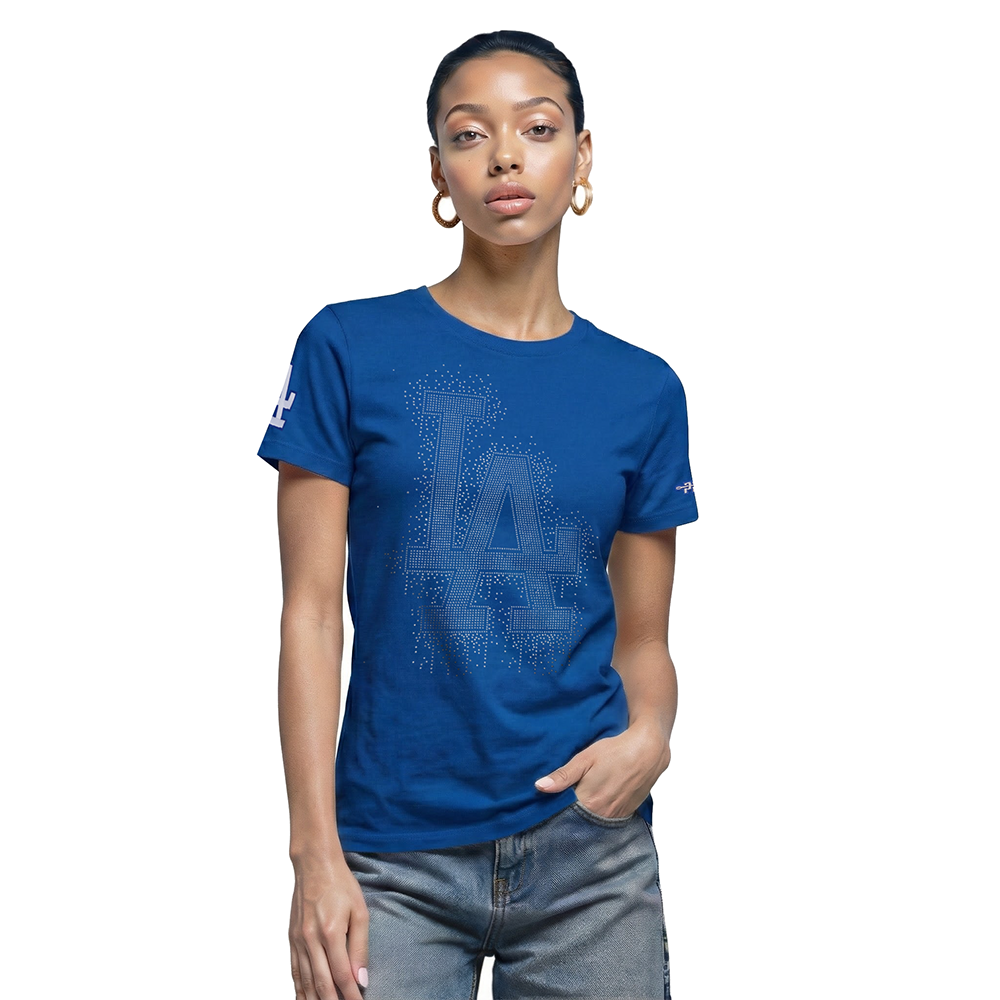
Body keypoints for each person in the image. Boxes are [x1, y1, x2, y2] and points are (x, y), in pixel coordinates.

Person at [257, 29, 698, 1000]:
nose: (504, 156)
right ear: (438, 172)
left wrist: (650, 735)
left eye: (538, 128)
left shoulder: (643, 391)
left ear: (582, 157)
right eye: (469, 134)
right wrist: (313, 854)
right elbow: (310, 614)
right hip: (390, 854)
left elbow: (644, 639)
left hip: (589, 851)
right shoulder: (347, 347)